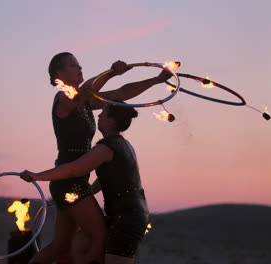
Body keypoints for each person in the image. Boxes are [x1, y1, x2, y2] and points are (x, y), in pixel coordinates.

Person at [29, 52, 169, 264]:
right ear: (59, 74)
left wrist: (157, 80)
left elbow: (122, 93)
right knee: (99, 236)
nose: (80, 68)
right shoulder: (64, 99)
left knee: (60, 246)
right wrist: (111, 72)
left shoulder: (85, 102)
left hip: (73, 181)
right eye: (73, 66)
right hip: (69, 180)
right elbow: (85, 90)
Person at [21, 103, 149, 264]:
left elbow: (74, 170)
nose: (99, 116)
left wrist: (37, 176)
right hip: (128, 214)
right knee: (79, 243)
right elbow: (108, 179)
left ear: (111, 121)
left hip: (127, 217)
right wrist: (83, 194)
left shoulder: (106, 147)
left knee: (98, 245)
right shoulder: (122, 145)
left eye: (103, 113)